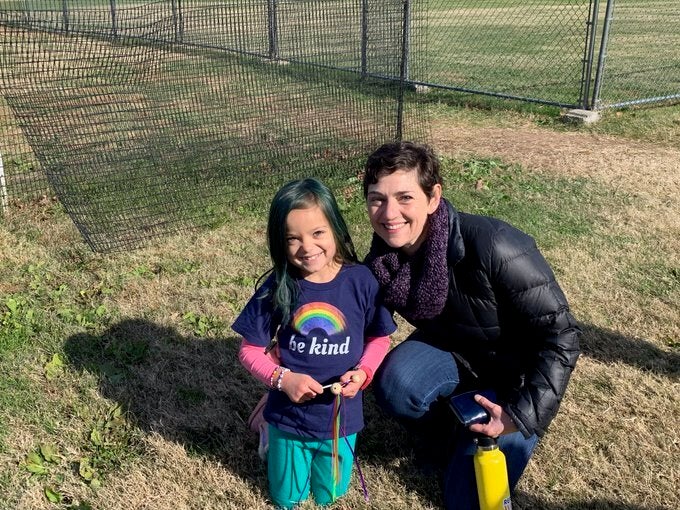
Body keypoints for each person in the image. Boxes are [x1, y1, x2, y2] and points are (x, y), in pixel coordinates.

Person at [361, 141, 581, 509]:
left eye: (404, 198)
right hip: (456, 353)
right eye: (377, 199)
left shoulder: (496, 245)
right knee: (397, 384)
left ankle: (479, 434)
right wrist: (285, 379)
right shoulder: (385, 260)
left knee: (468, 501)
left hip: (518, 378)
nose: (389, 213)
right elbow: (359, 322)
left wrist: (520, 414)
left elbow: (562, 337)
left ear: (433, 198)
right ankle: (452, 431)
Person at [233, 178, 396, 509]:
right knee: (286, 499)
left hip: (341, 420)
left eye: (318, 233)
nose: (307, 247)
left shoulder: (362, 281)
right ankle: (268, 430)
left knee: (330, 496)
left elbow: (379, 337)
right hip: (289, 418)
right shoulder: (278, 286)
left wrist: (364, 373)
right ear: (280, 242)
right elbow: (249, 351)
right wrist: (283, 379)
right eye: (293, 238)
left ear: (336, 227)